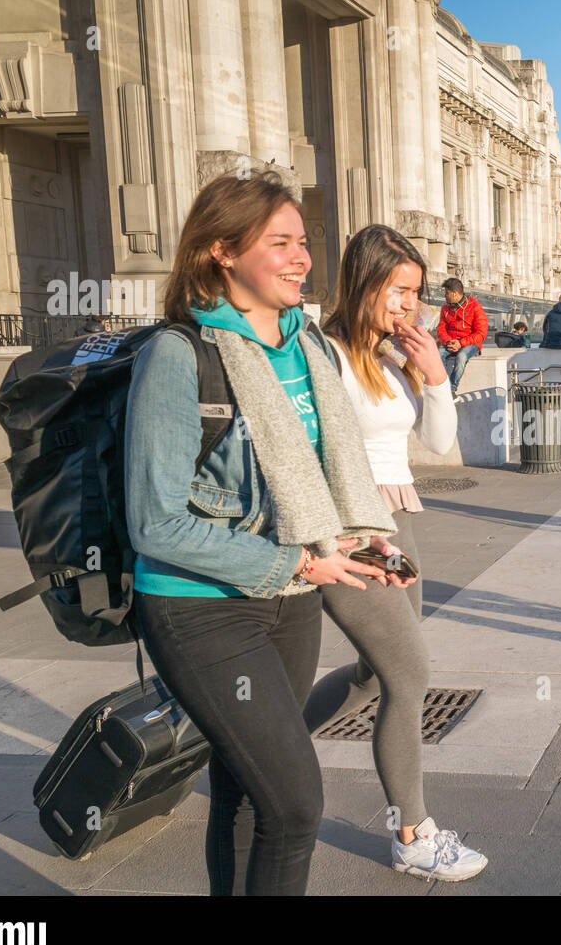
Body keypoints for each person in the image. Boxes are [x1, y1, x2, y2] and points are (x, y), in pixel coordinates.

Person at [125, 172, 403, 895]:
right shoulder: (179, 355)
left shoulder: (304, 345)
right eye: (278, 243)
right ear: (222, 251)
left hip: (290, 597)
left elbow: (319, 469)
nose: (301, 258)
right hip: (200, 605)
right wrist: (295, 563)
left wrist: (356, 537)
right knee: (297, 803)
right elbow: (155, 522)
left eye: (303, 243)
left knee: (246, 789)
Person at [306, 223, 488, 882]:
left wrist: (436, 375)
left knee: (372, 676)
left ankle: (267, 750)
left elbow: (439, 443)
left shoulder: (392, 354)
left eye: (416, 292)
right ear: (365, 281)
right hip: (354, 530)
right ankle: (413, 835)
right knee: (409, 675)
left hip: (397, 522)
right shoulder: (320, 352)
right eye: (398, 289)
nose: (409, 304)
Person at [435, 277, 487, 392]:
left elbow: (481, 333)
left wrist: (461, 343)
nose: (445, 296)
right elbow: (441, 330)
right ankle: (444, 387)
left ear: (454, 293)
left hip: (470, 343)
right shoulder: (445, 309)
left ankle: (452, 388)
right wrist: (448, 341)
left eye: (446, 293)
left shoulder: (475, 307)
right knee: (437, 355)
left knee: (461, 357)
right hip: (451, 342)